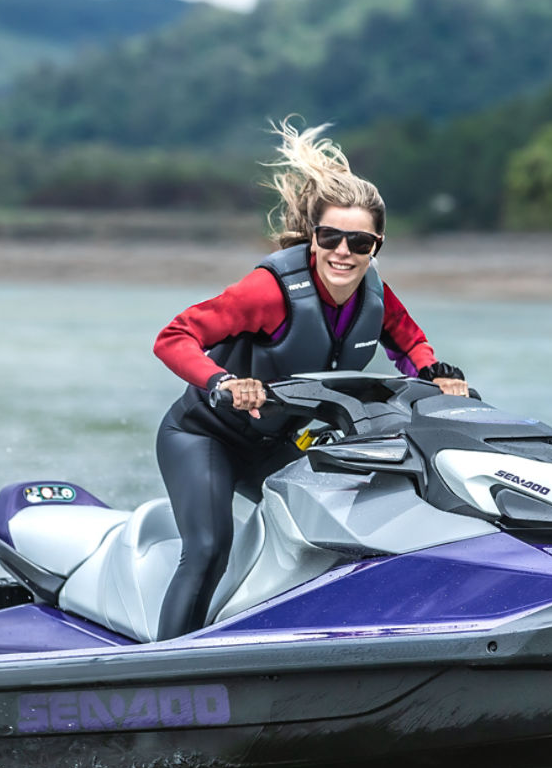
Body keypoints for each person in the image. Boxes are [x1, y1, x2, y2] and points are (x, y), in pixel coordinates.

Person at [151, 119, 470, 640]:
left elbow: (411, 347)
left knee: (347, 534)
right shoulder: (268, 291)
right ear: (315, 238)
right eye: (331, 237)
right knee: (209, 548)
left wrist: (436, 375)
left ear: (376, 246)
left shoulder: (375, 297)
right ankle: (164, 669)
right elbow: (174, 336)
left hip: (281, 444)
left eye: (359, 242)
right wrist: (222, 381)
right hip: (206, 437)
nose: (344, 252)